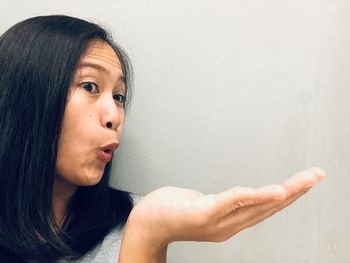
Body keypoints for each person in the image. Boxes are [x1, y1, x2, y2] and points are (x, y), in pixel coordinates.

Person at [0, 15, 325, 263]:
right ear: (25, 95)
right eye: (89, 86)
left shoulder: (131, 221)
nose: (114, 115)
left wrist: (148, 233)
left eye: (119, 96)